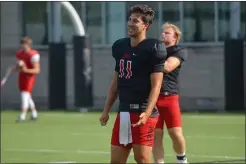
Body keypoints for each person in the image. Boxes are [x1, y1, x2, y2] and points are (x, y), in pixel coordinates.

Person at [99, 5, 167, 164]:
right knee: (116, 161)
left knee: (142, 159)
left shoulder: (153, 48)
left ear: (145, 25)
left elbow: (156, 86)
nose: (130, 23)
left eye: (135, 21)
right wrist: (106, 110)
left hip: (142, 111)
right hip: (124, 112)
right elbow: (115, 83)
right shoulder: (120, 46)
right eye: (129, 20)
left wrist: (148, 112)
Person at [152, 23, 188, 164]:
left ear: (175, 36)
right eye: (162, 32)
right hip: (153, 98)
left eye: (167, 33)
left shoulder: (179, 51)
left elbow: (167, 67)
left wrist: (148, 60)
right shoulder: (156, 50)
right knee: (156, 134)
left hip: (169, 96)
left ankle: (182, 159)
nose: (163, 34)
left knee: (175, 133)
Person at [11, 37, 41, 122]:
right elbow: (20, 67)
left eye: (25, 44)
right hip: (22, 76)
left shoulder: (33, 55)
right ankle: (34, 114)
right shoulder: (19, 53)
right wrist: (15, 68)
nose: (23, 46)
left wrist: (26, 70)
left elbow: (37, 70)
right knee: (27, 96)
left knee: (24, 95)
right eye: (22, 44)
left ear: (29, 45)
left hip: (29, 77)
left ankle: (22, 116)